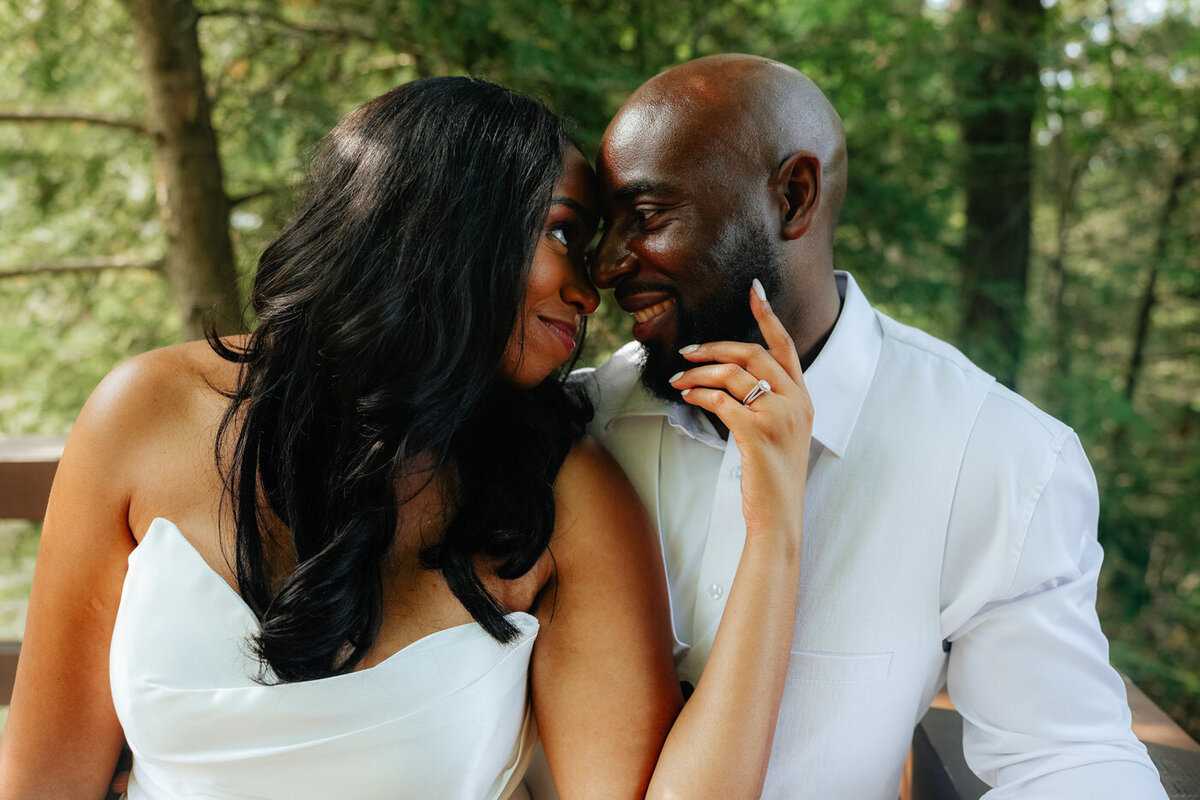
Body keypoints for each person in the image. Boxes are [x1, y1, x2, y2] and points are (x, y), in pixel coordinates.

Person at [0, 77, 814, 799]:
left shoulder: (563, 492)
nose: (589, 287)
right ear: (448, 224)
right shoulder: (142, 413)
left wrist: (775, 533)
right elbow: (44, 783)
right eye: (564, 233)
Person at [569, 54, 1169, 799]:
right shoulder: (579, 423)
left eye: (648, 217)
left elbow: (1067, 759)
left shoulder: (993, 456)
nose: (603, 265)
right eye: (604, 227)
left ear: (794, 196)